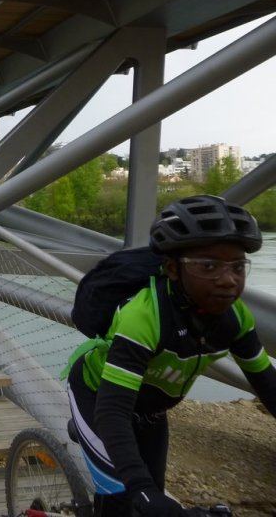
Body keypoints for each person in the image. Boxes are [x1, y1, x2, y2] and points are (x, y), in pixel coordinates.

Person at [65, 195, 276, 516]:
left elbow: (268, 386)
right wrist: (142, 491)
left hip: (151, 411)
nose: (228, 279)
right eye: (209, 266)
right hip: (98, 399)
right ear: (172, 269)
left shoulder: (235, 318)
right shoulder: (145, 317)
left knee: (154, 492)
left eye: (237, 266)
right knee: (126, 497)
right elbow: (113, 412)